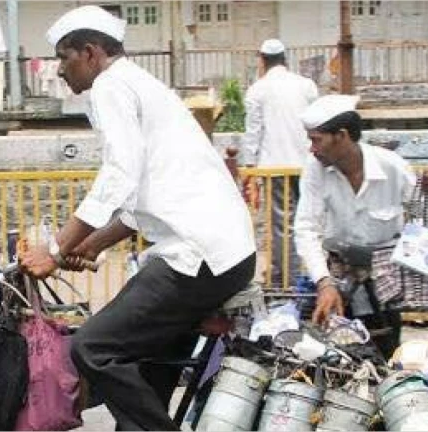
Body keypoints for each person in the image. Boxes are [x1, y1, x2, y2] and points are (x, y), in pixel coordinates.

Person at [19, 6, 256, 430]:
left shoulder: (112, 85)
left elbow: (118, 176)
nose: (59, 69)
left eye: (64, 57)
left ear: (90, 53)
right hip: (219, 253)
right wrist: (90, 243)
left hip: (197, 256)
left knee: (91, 348)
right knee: (146, 363)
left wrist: (56, 248)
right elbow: (144, 193)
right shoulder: (138, 84)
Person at [293, 95, 428, 358]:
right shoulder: (314, 170)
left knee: (386, 354)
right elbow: (306, 229)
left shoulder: (392, 166)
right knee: (331, 356)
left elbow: (422, 216)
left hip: (384, 280)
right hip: (339, 277)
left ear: (341, 136)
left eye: (316, 140)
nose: (312, 149)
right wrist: (324, 283)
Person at [242, 39, 319, 287]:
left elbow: (253, 133)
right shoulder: (306, 85)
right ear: (285, 59)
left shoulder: (258, 90)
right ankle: (302, 274)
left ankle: (285, 278)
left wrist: (249, 169)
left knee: (281, 225)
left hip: (275, 166)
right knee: (305, 220)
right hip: (307, 164)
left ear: (262, 60)